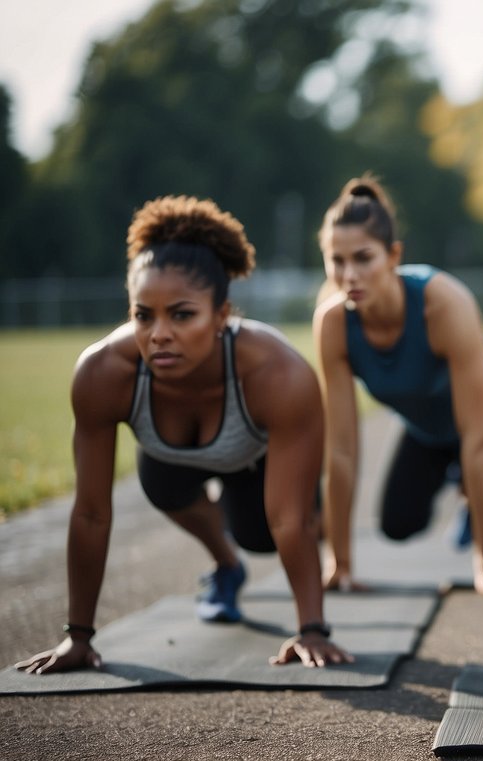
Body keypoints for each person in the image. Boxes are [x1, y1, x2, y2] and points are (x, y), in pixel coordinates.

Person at [17, 195, 352, 674]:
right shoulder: (101, 373)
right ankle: (226, 568)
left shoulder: (280, 374)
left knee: (265, 534)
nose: (158, 334)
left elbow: (289, 520)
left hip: (255, 463)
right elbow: (91, 513)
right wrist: (78, 636)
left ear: (222, 316)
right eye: (143, 315)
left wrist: (312, 629)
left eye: (181, 315)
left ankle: (246, 550)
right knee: (161, 482)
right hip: (171, 464)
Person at [314, 176, 483, 596]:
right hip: (426, 427)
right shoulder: (334, 324)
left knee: (476, 468)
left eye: (363, 258)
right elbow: (340, 449)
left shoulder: (443, 303)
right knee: (398, 524)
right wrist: (338, 562)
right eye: (336, 261)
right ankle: (471, 489)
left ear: (393, 255)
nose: (349, 275)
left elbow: (480, 442)